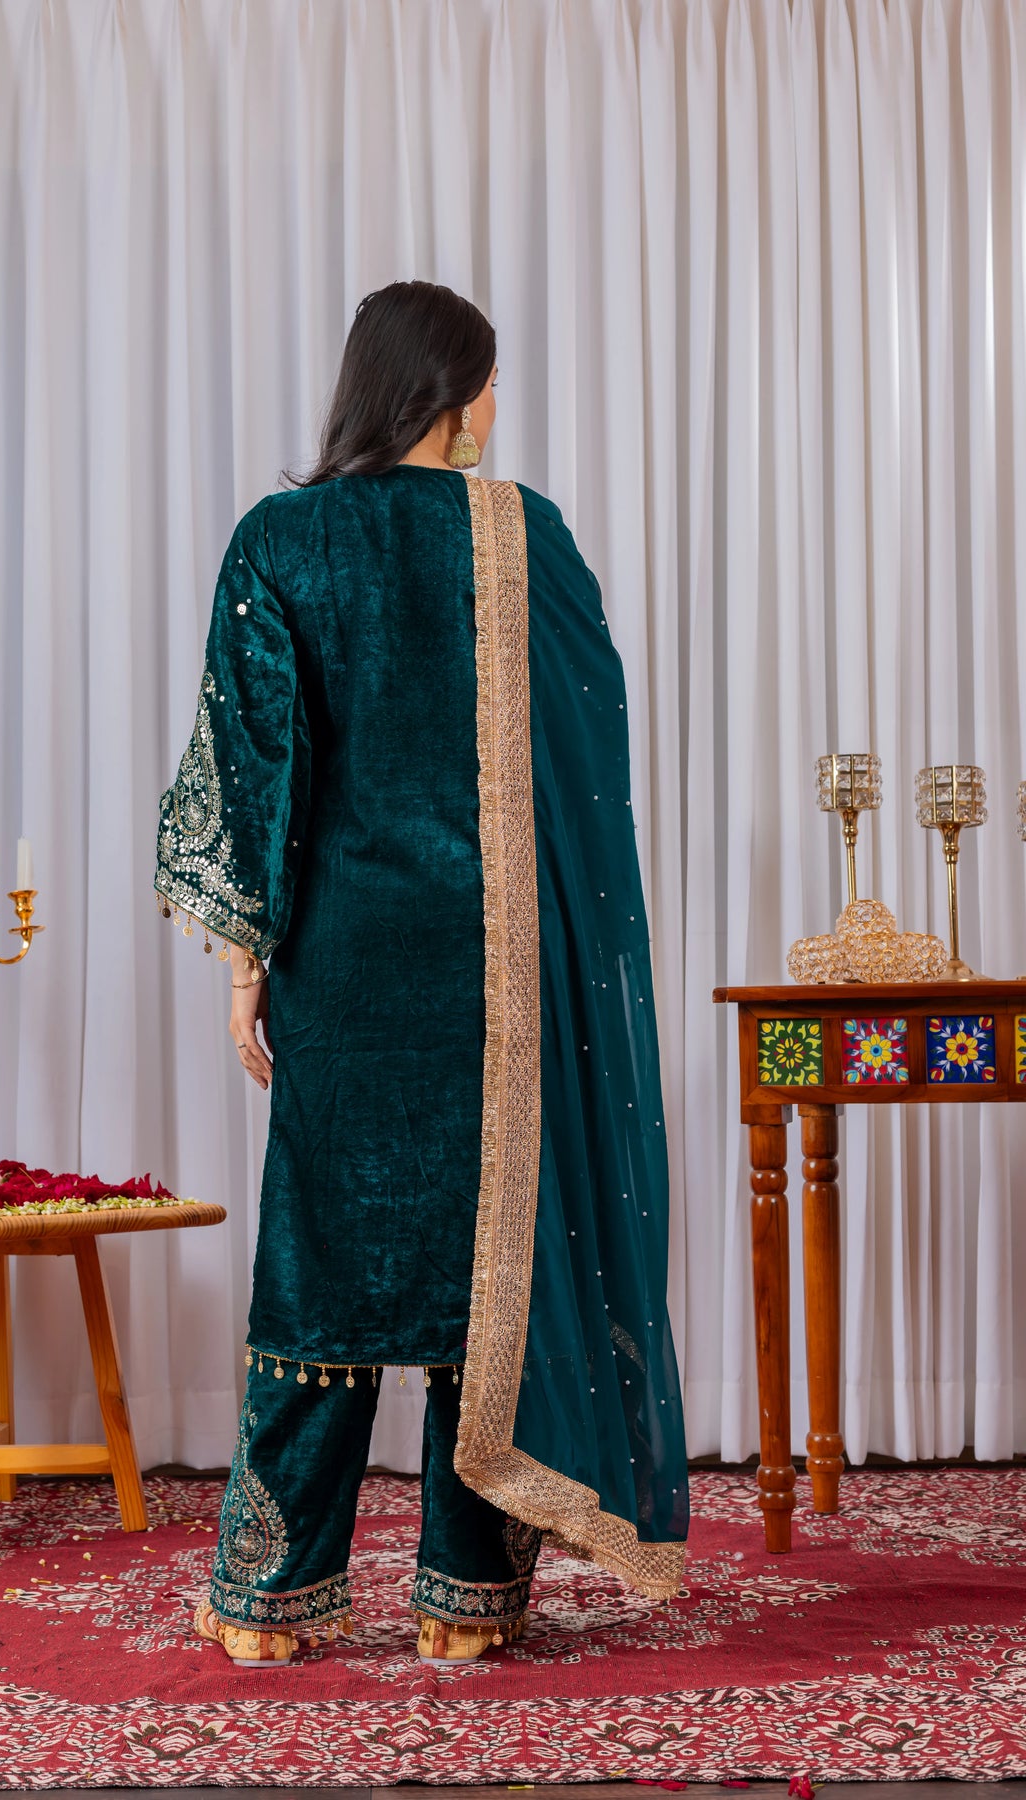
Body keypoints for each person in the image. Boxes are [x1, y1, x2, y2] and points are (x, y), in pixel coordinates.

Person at [154, 280, 688, 1667]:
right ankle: (469, 1603)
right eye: (491, 378)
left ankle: (271, 1599)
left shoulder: (282, 541)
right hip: (494, 984)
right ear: (446, 389)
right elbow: (590, 762)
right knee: (486, 1278)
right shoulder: (528, 536)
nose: (496, 407)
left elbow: (258, 771)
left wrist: (243, 967)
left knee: (319, 1274)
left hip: (342, 964)